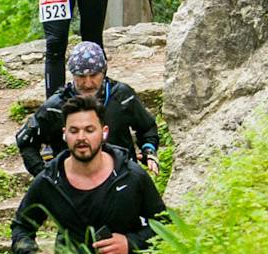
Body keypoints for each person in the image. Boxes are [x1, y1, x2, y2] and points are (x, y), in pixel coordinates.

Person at [10, 94, 166, 254]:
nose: (81, 137)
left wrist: (130, 243)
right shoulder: (49, 181)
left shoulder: (131, 175)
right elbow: (21, 228)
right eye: (74, 131)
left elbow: (164, 224)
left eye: (89, 130)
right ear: (65, 134)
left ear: (104, 132)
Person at [15, 41, 160, 178]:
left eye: (94, 75)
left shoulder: (122, 96)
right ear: (72, 75)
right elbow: (26, 141)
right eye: (81, 76)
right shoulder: (55, 107)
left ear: (103, 72)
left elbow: (147, 127)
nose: (88, 83)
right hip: (73, 186)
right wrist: (45, 175)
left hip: (121, 179)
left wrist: (149, 150)